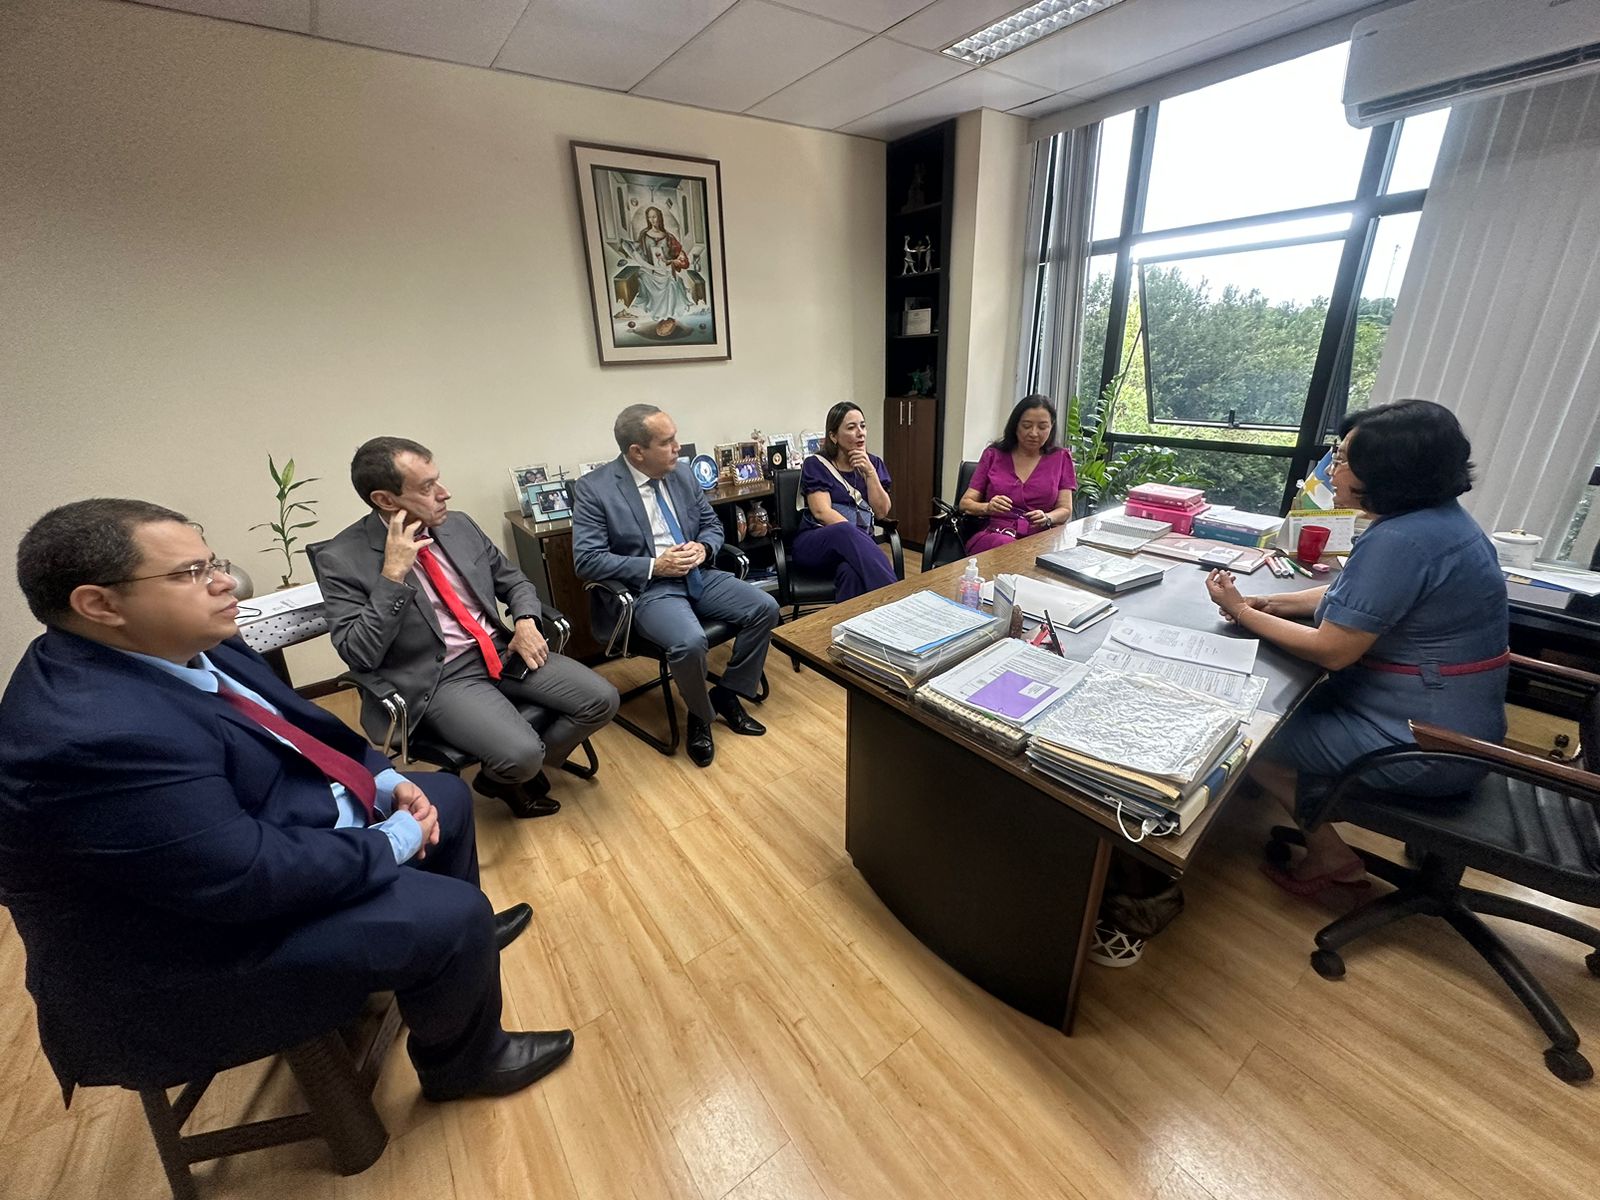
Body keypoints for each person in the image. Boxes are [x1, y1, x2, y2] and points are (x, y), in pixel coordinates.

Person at [0, 499, 573, 1105]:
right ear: (99, 605)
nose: (224, 582)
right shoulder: (94, 734)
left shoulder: (188, 640)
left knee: (445, 796)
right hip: (184, 953)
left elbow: (306, 730)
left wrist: (381, 781)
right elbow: (242, 876)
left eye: (211, 561)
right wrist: (390, 839)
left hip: (251, 836)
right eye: (189, 573)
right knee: (449, 914)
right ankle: (464, 1064)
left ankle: (448, 956)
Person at [1203, 400, 1509, 896]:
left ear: (1385, 473)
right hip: (1457, 727)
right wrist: (1273, 604)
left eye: (1343, 457)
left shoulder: (1403, 540)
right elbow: (1354, 595)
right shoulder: (1440, 523)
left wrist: (1243, 612)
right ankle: (1313, 806)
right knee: (1279, 699)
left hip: (1420, 743)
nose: (1333, 467)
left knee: (1246, 734)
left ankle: (1329, 854)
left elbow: (1332, 650)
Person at [317, 438, 619, 820]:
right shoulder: (342, 559)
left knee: (602, 699)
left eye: (437, 480)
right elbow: (359, 653)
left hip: (500, 649)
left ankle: (503, 776)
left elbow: (515, 581)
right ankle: (518, 768)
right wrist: (392, 575)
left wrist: (525, 620)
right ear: (386, 500)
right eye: (427, 488)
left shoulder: (458, 525)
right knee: (523, 754)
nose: (445, 493)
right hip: (439, 677)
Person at [573, 404, 780, 768]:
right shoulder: (595, 489)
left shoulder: (682, 474)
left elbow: (711, 526)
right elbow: (586, 560)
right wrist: (655, 565)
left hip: (699, 574)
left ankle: (728, 693)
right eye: (667, 442)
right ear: (637, 451)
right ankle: (700, 715)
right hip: (650, 589)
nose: (678, 448)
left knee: (765, 608)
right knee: (689, 642)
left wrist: (704, 547)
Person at [793, 402, 898, 601]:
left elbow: (882, 511)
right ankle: (894, 600)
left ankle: (851, 629)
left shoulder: (873, 463)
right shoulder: (816, 464)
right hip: (817, 543)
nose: (861, 433)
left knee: (850, 573)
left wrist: (870, 473)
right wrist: (855, 536)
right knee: (845, 530)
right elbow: (821, 512)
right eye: (851, 428)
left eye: (863, 426)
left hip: (855, 550)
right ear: (833, 436)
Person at [959, 395, 1077, 554]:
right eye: (1026, 425)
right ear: (1015, 425)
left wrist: (1047, 517)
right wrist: (988, 507)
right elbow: (966, 503)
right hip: (995, 535)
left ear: (1051, 426)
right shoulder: (994, 455)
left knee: (1031, 556)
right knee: (1005, 546)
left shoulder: (1061, 458)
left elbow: (1065, 509)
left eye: (1042, 427)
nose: (1034, 433)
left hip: (1040, 539)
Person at [634, 205, 694, 323]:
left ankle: (669, 315)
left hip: (666, 270)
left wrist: (672, 261)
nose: (652, 220)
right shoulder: (643, 235)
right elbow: (640, 253)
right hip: (651, 271)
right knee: (643, 276)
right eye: (650, 217)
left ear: (660, 218)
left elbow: (681, 257)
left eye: (655, 217)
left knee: (672, 283)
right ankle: (655, 314)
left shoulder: (668, 237)